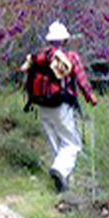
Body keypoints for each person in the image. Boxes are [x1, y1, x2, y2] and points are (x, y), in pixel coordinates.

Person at [20, 21, 98, 193]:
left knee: (55, 142)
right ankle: (61, 173)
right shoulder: (69, 57)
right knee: (72, 143)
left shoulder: (39, 57)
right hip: (61, 104)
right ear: (64, 40)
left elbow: (24, 72)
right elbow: (81, 79)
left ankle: (61, 183)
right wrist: (90, 97)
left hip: (42, 105)